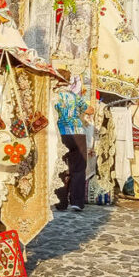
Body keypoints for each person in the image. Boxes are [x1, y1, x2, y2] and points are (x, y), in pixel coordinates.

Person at [54, 71, 93, 212]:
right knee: (78, 169)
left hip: (61, 134)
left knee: (60, 167)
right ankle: (77, 201)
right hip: (77, 133)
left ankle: (61, 201)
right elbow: (89, 110)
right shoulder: (74, 97)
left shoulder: (54, 97)